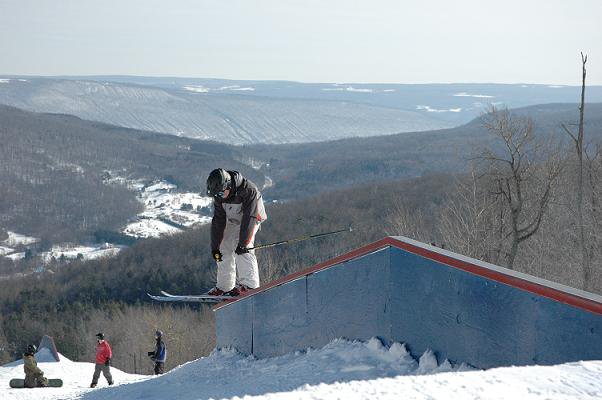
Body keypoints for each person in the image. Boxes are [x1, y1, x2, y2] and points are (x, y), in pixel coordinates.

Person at [206, 168, 267, 296]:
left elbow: (249, 218)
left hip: (253, 218)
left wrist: (243, 244)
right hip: (233, 219)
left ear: (228, 185)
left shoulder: (248, 190)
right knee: (223, 248)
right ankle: (224, 287)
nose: (219, 197)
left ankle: (249, 285)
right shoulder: (220, 195)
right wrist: (215, 247)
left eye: (220, 194)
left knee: (242, 248)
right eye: (216, 195)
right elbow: (218, 221)